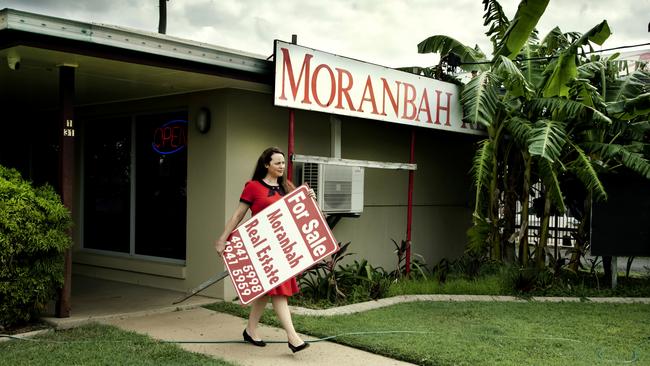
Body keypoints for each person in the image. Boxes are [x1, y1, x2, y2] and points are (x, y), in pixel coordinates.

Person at [215, 146, 310, 353]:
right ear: (266, 165)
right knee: (278, 292)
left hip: (283, 249)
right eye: (277, 163)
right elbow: (237, 216)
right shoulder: (253, 187)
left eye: (283, 163)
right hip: (262, 250)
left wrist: (307, 197)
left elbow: (300, 213)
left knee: (267, 292)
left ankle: (250, 330)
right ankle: (293, 337)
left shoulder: (287, 187)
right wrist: (223, 239)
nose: (282, 167)